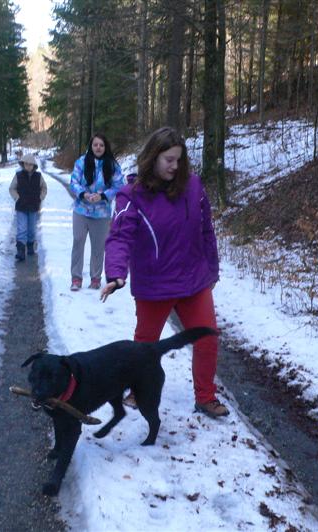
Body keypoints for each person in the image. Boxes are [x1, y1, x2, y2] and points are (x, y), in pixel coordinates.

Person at [100, 126, 229, 418]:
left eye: (179, 159)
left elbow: (206, 230)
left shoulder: (194, 186)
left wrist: (211, 268)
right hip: (154, 284)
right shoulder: (131, 196)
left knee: (208, 337)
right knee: (145, 345)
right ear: (152, 158)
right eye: (169, 159)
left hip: (193, 280)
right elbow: (120, 236)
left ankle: (206, 397)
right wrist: (116, 274)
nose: (175, 165)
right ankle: (137, 389)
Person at [69, 133, 124, 290]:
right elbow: (74, 182)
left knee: (98, 246)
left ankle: (95, 278)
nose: (98, 148)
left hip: (101, 213)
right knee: (78, 241)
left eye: (101, 145)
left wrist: (102, 196)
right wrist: (84, 194)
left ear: (105, 147)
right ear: (91, 146)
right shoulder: (81, 162)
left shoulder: (113, 165)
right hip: (81, 210)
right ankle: (76, 278)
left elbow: (119, 185)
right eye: (95, 145)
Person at [9, 153, 47, 261]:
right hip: (21, 206)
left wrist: (40, 197)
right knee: (22, 228)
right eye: (26, 164)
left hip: (34, 206)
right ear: (23, 164)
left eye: (31, 164)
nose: (28, 166)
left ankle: (30, 245)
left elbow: (44, 188)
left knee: (31, 229)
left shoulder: (38, 176)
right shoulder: (18, 175)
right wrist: (17, 197)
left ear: (34, 165)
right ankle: (20, 250)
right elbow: (12, 188)